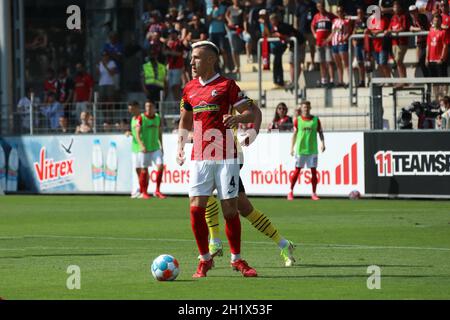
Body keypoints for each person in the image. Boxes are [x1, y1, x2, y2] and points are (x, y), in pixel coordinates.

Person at [177, 40, 258, 278]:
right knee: (195, 209)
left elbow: (249, 111)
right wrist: (180, 146)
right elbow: (185, 120)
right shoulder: (189, 88)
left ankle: (237, 259)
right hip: (200, 156)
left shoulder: (227, 85)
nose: (192, 62)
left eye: (197, 58)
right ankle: (204, 260)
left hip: (226, 156)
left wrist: (239, 119)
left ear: (211, 60)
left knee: (230, 210)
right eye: (191, 58)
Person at [203, 102, 297, 267]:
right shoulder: (203, 99)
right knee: (246, 210)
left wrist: (254, 132)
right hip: (214, 155)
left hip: (231, 157)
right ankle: (284, 244)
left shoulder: (229, 94)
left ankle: (215, 241)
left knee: (203, 194)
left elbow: (256, 112)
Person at [288, 101, 325, 201]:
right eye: (304, 107)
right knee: (297, 170)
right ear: (302, 108)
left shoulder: (315, 120)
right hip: (301, 150)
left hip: (312, 150)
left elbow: (320, 132)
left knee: (313, 171)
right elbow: (294, 134)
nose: (306, 109)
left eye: (307, 107)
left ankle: (314, 193)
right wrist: (292, 148)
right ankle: (290, 191)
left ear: (310, 108)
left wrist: (323, 143)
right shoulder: (298, 120)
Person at [311, 0, 336, 87]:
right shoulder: (316, 16)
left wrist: (330, 37)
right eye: (318, 7)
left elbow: (336, 25)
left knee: (329, 61)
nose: (320, 8)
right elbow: (312, 26)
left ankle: (332, 80)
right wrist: (314, 34)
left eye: (321, 6)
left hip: (328, 43)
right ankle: (324, 80)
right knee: (321, 62)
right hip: (319, 43)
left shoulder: (330, 16)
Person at [426, 14, 450, 100]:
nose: (437, 22)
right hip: (431, 60)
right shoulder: (430, 32)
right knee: (434, 81)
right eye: (435, 20)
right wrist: (426, 58)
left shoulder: (443, 32)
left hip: (440, 60)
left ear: (441, 21)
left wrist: (442, 58)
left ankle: (444, 98)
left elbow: (445, 46)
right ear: (432, 21)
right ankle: (436, 98)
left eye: (438, 20)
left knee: (442, 80)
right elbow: (428, 46)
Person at [328, 5, 352, 87]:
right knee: (338, 64)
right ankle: (340, 81)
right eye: (338, 11)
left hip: (342, 43)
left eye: (341, 11)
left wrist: (344, 39)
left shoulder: (346, 21)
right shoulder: (334, 21)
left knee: (346, 63)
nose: (339, 13)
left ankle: (349, 81)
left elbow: (348, 32)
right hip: (334, 43)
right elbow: (332, 32)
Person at [386, 1, 410, 82]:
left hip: (402, 42)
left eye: (397, 7)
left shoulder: (404, 16)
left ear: (400, 7)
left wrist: (392, 31)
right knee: (398, 61)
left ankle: (403, 80)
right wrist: (388, 31)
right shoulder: (393, 17)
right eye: (394, 7)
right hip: (394, 42)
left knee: (399, 61)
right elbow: (390, 27)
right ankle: (403, 80)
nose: (395, 8)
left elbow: (403, 28)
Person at [208, 0, 232, 72]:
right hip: (212, 32)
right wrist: (213, 11)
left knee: (222, 49)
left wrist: (213, 18)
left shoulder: (222, 7)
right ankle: (217, 66)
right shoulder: (210, 8)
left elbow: (221, 18)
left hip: (221, 31)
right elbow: (208, 19)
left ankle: (225, 66)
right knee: (213, 51)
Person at [295, 0, 318, 71]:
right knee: (302, 47)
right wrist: (296, 29)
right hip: (302, 30)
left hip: (311, 30)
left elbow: (317, 16)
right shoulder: (300, 5)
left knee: (312, 46)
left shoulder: (314, 5)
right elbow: (296, 18)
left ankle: (312, 62)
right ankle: (302, 63)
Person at [367, 10, 391, 79]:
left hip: (383, 45)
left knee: (383, 63)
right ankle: (384, 80)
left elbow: (382, 29)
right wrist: (373, 31)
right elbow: (369, 30)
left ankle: (388, 80)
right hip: (374, 46)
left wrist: (374, 32)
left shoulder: (384, 19)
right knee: (379, 64)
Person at [97, 51, 117, 126]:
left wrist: (105, 66)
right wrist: (98, 67)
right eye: (103, 56)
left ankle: (111, 117)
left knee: (110, 101)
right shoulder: (100, 63)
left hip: (110, 84)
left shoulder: (112, 63)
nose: (104, 57)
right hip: (102, 84)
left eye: (105, 55)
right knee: (102, 102)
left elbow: (112, 73)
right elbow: (98, 74)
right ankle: (105, 118)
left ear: (108, 56)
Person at [163, 29, 185, 101]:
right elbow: (164, 52)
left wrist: (170, 52)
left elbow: (180, 53)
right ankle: (173, 102)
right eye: (170, 34)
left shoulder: (179, 43)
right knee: (167, 86)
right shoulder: (167, 43)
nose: (171, 35)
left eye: (173, 33)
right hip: (169, 67)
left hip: (177, 67)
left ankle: (178, 103)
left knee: (175, 86)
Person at [409, 5, 429, 77]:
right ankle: (428, 81)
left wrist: (414, 29)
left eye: (414, 12)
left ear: (417, 11)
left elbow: (422, 28)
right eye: (411, 12)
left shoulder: (422, 17)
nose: (413, 14)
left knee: (427, 62)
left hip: (427, 42)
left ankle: (431, 80)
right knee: (422, 62)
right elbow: (410, 28)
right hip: (420, 44)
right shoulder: (411, 19)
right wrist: (414, 28)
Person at [352, 6, 367, 87]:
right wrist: (354, 41)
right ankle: (362, 81)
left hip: (365, 45)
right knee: (360, 63)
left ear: (363, 13)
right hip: (358, 45)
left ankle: (369, 80)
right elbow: (354, 32)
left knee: (366, 64)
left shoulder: (367, 21)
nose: (359, 15)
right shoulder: (357, 22)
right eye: (358, 13)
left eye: (361, 13)